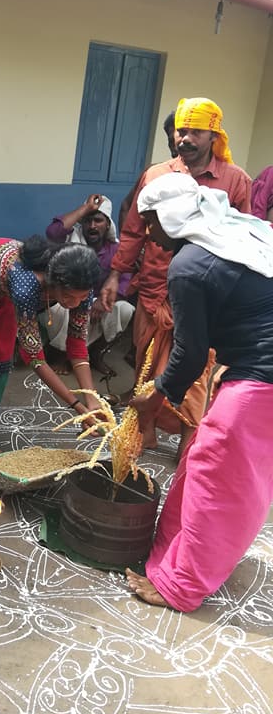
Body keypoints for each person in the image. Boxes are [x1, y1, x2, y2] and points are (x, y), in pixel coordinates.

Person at [124, 173, 273, 612]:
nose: (149, 235)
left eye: (151, 223)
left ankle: (182, 587)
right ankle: (174, 557)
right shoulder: (243, 233)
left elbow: (189, 357)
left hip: (261, 379)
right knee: (199, 462)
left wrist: (151, 402)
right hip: (255, 372)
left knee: (219, 480)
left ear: (171, 217)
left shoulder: (190, 266)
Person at [100, 97, 251, 459]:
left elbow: (246, 235)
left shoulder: (235, 180)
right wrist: (114, 276)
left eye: (195, 132)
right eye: (181, 131)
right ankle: (147, 431)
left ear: (213, 134)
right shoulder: (156, 175)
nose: (185, 138)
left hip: (209, 293)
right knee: (146, 363)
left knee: (198, 369)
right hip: (155, 289)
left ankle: (187, 441)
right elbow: (135, 231)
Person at [0, 236, 106, 473]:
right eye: (68, 296)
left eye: (81, 297)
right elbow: (36, 358)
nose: (74, 303)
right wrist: (78, 407)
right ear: (53, 282)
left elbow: (77, 344)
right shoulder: (27, 285)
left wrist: (92, 398)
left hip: (1, 291)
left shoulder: (81, 291)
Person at [45, 194, 133, 371]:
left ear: (107, 224)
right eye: (87, 220)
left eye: (98, 220)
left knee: (125, 310)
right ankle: (64, 356)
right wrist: (85, 209)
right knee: (59, 309)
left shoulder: (115, 249)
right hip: (70, 299)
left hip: (98, 303)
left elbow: (125, 280)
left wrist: (103, 301)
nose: (92, 226)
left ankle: (96, 354)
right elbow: (53, 232)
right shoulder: (72, 241)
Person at [117, 110, 180, 233]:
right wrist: (127, 249)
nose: (176, 144)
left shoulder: (222, 177)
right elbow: (126, 207)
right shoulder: (154, 173)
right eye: (171, 140)